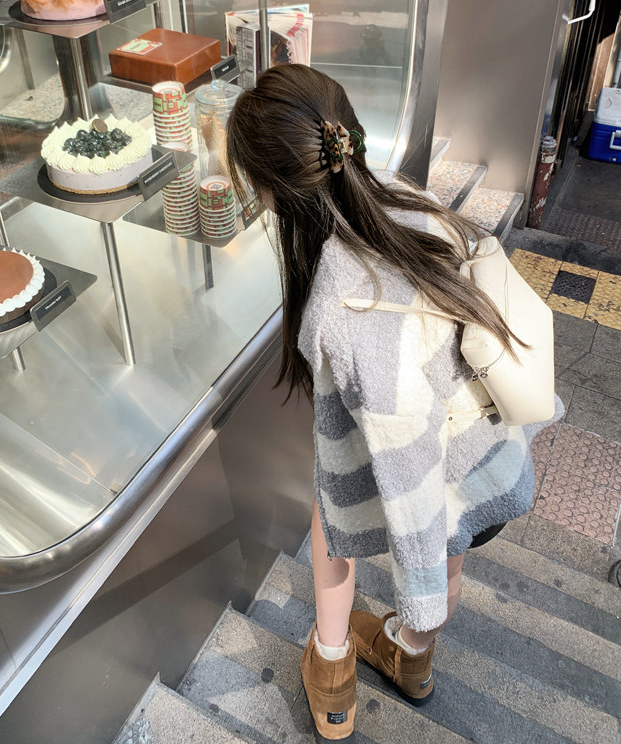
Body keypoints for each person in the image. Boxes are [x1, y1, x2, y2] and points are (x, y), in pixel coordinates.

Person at [226, 63, 563, 742]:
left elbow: (407, 485)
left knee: (333, 514)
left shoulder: (342, 307)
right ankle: (413, 663)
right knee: (455, 541)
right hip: (488, 458)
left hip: (428, 475)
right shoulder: (409, 200)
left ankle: (333, 679)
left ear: (271, 194)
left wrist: (420, 593)